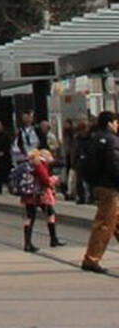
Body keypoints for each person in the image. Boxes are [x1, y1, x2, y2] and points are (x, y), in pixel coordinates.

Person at [81, 111, 119, 274]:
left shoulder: (94, 138)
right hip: (109, 187)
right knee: (104, 224)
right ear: (109, 123)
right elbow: (114, 164)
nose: (117, 126)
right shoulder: (111, 140)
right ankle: (92, 259)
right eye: (116, 122)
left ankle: (91, 258)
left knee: (115, 220)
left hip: (98, 185)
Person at [19, 149, 65, 253]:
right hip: (39, 196)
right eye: (49, 156)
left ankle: (28, 243)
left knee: (30, 217)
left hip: (28, 195)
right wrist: (54, 180)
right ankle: (51, 239)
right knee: (50, 214)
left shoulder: (29, 165)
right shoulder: (39, 165)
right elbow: (45, 181)